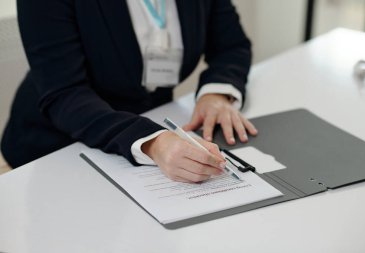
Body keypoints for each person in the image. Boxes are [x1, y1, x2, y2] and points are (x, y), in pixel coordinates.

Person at [1, 0, 257, 183]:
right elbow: (65, 93)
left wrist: (216, 94)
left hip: (146, 148)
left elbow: (231, 46)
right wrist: (153, 142)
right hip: (57, 144)